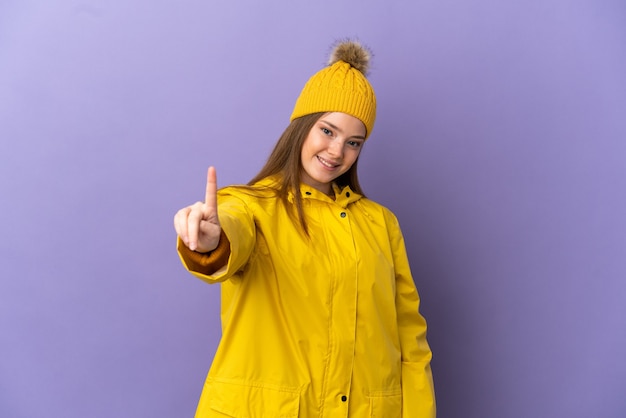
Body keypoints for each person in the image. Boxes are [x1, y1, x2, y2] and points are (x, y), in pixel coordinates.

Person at [173, 39, 436, 418]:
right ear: (302, 126)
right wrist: (213, 241)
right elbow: (232, 235)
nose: (336, 151)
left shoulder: (380, 224)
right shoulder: (252, 207)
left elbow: (410, 339)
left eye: (353, 142)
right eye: (327, 131)